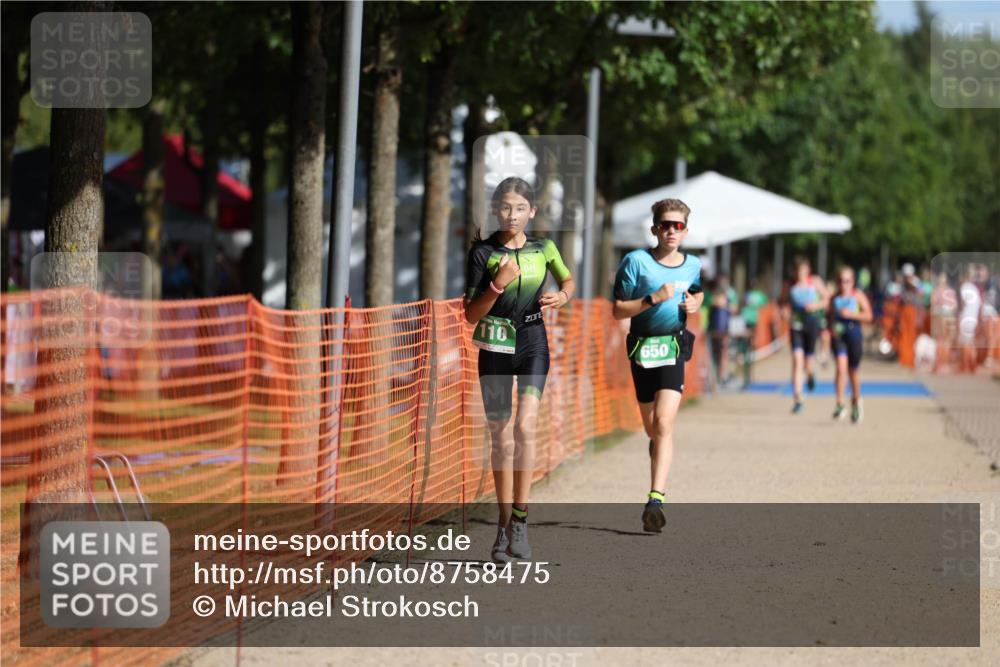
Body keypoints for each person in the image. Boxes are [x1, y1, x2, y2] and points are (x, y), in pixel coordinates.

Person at [464, 176, 575, 563]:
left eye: (520, 208)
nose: (512, 214)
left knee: (526, 427)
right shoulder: (483, 254)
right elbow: (469, 315)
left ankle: (522, 521)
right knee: (501, 437)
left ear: (532, 211)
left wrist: (562, 295)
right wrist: (496, 286)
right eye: (505, 207)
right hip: (494, 345)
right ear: (496, 210)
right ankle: (503, 523)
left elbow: (568, 278)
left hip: (532, 344)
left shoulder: (544, 248)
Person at [612, 198, 703, 533]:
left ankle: (655, 500)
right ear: (654, 228)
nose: (670, 231)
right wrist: (652, 299)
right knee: (652, 429)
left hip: (673, 347)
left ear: (685, 231)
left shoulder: (692, 264)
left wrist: (696, 301)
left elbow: (697, 291)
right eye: (665, 224)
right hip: (641, 349)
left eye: (677, 225)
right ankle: (657, 449)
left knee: (664, 425)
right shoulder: (635, 262)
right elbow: (618, 310)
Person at [781, 257, 830, 414]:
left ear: (807, 269)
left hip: (812, 323)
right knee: (797, 360)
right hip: (796, 325)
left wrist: (815, 305)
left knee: (807, 364)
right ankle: (798, 399)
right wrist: (784, 311)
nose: (799, 274)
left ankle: (810, 374)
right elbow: (782, 302)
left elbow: (827, 298)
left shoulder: (814, 281)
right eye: (796, 271)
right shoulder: (789, 285)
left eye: (802, 270)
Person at [829, 267, 873, 423]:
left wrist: (852, 314)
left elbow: (869, 316)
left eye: (847, 281)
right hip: (839, 337)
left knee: (853, 371)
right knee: (841, 369)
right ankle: (840, 403)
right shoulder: (834, 298)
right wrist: (831, 330)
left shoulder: (858, 296)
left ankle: (855, 401)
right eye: (841, 281)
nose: (844, 284)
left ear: (852, 282)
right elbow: (830, 317)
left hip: (854, 335)